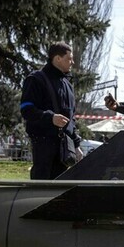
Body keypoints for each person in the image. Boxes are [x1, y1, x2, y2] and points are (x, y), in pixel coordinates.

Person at [20, 41, 83, 179]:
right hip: (43, 142)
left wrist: (76, 144)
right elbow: (26, 109)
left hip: (64, 146)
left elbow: (71, 118)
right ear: (57, 59)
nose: (72, 62)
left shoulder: (67, 85)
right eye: (69, 58)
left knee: (60, 188)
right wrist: (51, 118)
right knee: (41, 187)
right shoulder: (35, 79)